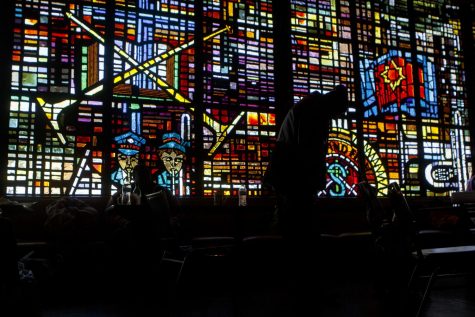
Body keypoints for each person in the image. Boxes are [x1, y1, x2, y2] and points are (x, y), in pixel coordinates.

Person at [264, 85, 349, 316]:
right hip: (295, 184)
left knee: (301, 238)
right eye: (338, 114)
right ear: (334, 105)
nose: (335, 119)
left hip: (291, 182)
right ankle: (305, 294)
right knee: (303, 238)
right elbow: (309, 152)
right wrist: (313, 184)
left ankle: (305, 292)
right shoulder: (314, 111)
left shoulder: (310, 107)